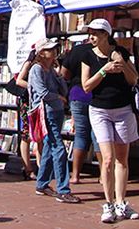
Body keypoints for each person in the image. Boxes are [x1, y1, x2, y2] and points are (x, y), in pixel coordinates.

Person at [81, 18, 139, 223]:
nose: (92, 37)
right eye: (90, 33)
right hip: (100, 111)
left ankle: (121, 202)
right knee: (107, 159)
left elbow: (134, 80)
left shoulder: (121, 53)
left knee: (122, 159)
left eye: (95, 33)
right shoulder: (88, 56)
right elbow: (86, 86)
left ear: (106, 34)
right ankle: (108, 204)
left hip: (123, 109)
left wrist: (121, 63)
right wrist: (104, 70)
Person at [29, 38, 79, 203]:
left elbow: (64, 89)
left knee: (51, 147)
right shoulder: (36, 69)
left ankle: (42, 183)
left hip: (56, 111)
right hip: (46, 112)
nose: (54, 51)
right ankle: (63, 189)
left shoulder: (51, 70)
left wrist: (58, 76)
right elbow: (42, 93)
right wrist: (57, 96)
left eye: (55, 48)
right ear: (41, 53)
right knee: (58, 148)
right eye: (50, 49)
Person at [59, 33, 102, 185]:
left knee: (81, 135)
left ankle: (75, 175)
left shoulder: (75, 51)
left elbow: (63, 74)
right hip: (97, 94)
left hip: (77, 94)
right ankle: (104, 175)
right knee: (98, 135)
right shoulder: (102, 52)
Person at [15, 49, 39, 179]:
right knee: (26, 134)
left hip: (38, 102)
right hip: (27, 102)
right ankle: (27, 168)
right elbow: (19, 81)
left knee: (39, 134)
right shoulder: (29, 64)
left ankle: (41, 167)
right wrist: (34, 86)